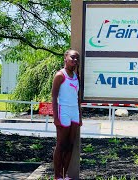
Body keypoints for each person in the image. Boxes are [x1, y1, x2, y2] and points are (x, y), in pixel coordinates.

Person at [52, 49, 82, 179]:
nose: (75, 61)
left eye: (77, 59)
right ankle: (57, 176)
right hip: (63, 111)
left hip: (74, 112)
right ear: (65, 58)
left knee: (70, 144)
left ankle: (65, 175)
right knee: (61, 145)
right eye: (72, 58)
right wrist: (56, 118)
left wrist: (80, 116)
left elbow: (78, 99)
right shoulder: (60, 75)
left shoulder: (77, 77)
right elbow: (53, 97)